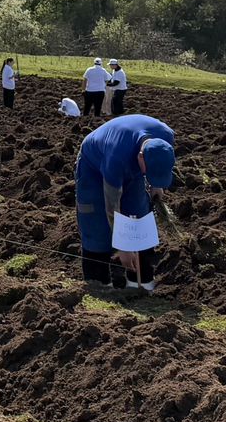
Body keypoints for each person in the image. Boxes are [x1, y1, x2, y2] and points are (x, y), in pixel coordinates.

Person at [74, 114, 176, 291]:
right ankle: (99, 285)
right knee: (96, 222)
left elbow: (161, 163)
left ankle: (142, 283)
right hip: (94, 167)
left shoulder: (166, 137)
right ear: (141, 157)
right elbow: (112, 206)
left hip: (131, 165)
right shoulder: (117, 156)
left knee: (139, 215)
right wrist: (123, 246)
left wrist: (156, 184)